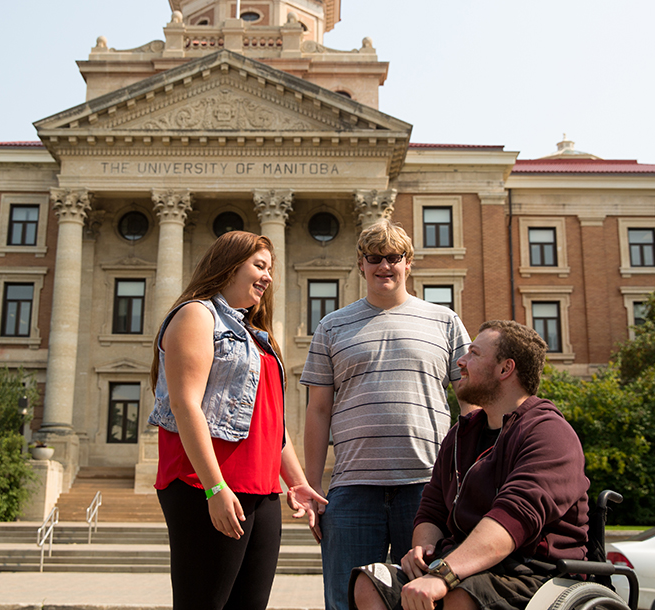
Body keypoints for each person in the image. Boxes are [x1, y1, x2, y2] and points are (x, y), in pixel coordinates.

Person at [350, 320, 590, 610]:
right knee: (372, 582)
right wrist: (422, 552)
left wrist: (444, 574)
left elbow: (513, 519)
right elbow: (432, 509)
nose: (461, 362)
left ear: (505, 369)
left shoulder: (549, 433)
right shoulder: (461, 434)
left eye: (474, 354)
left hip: (535, 573)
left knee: (460, 595)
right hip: (461, 567)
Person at [147, 231, 326, 610]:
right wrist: (215, 488)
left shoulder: (256, 335)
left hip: (261, 491)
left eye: (271, 269)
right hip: (205, 484)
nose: (268, 277)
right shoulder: (196, 314)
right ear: (229, 265)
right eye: (259, 266)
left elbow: (271, 424)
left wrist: (297, 483)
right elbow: (185, 405)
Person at [301, 220, 471, 610]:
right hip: (352, 491)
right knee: (347, 601)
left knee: (427, 600)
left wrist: (471, 474)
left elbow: (470, 404)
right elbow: (318, 409)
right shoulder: (331, 325)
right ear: (361, 264)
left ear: (408, 263)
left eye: (394, 258)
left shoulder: (444, 321)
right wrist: (312, 488)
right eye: (374, 258)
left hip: (428, 488)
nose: (384, 266)